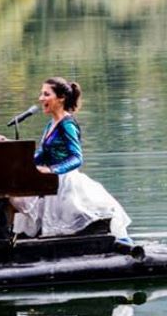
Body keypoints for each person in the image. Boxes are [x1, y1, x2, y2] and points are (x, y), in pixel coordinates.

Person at [11, 77, 132, 242]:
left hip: (64, 181)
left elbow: (77, 158)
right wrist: (22, 163)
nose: (41, 99)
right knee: (14, 196)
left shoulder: (67, 124)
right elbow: (42, 154)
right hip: (49, 179)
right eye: (41, 94)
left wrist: (53, 170)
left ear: (60, 98)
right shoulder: (51, 124)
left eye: (46, 94)